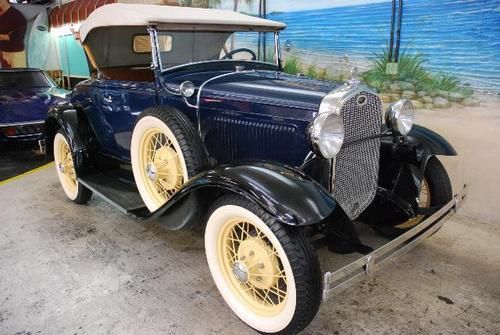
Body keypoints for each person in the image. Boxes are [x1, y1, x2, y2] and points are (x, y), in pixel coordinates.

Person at [0, 0, 27, 68]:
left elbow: (17, 36)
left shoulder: (17, 16)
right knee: (5, 77)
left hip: (15, 54)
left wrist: (6, 37)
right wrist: (6, 36)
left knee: (18, 77)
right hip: (2, 52)